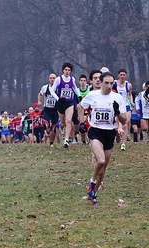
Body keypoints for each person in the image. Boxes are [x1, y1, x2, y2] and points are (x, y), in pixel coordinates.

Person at [78, 72, 127, 205]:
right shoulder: (93, 95)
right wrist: (82, 121)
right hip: (95, 131)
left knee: (103, 169)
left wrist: (117, 113)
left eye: (111, 83)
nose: (109, 86)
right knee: (100, 160)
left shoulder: (117, 97)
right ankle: (92, 183)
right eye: (106, 83)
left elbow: (125, 119)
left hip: (109, 133)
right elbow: (80, 106)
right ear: (101, 82)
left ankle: (93, 194)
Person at [49, 62, 81, 148]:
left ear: (71, 71)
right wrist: (58, 99)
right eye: (66, 70)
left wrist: (79, 96)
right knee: (62, 123)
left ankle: (66, 140)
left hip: (69, 102)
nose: (67, 72)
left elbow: (74, 88)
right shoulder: (59, 79)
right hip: (61, 103)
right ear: (63, 70)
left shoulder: (72, 79)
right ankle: (62, 132)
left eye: (69, 70)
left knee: (68, 120)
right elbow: (52, 90)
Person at [115, 69, 133, 150]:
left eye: (124, 75)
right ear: (118, 75)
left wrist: (131, 102)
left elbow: (130, 95)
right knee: (118, 125)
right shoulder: (114, 83)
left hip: (126, 105)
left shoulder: (128, 85)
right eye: (121, 75)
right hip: (116, 106)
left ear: (126, 75)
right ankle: (118, 136)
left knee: (126, 123)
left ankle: (123, 144)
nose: (122, 76)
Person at [38, 73, 58, 147]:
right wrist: (39, 101)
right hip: (47, 109)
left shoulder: (58, 88)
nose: (52, 79)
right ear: (49, 79)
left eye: (53, 78)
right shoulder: (45, 87)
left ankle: (51, 143)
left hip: (55, 110)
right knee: (46, 124)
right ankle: (46, 131)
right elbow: (40, 94)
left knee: (54, 128)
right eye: (51, 78)